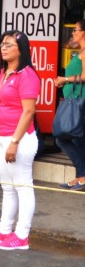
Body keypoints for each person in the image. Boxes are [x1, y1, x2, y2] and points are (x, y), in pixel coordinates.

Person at [0, 31, 40, 250]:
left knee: (22, 186)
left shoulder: (27, 75)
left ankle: (22, 236)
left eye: (9, 45)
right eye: (2, 44)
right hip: (1, 136)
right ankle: (4, 230)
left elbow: (28, 111)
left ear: (20, 49)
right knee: (8, 187)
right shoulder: (5, 73)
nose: (3, 47)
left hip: (18, 139)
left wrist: (14, 142)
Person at [55, 21, 85, 190]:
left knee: (66, 137)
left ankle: (82, 175)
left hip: (79, 101)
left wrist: (64, 79)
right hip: (72, 99)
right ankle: (80, 175)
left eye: (76, 30)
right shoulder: (79, 52)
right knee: (71, 137)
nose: (73, 33)